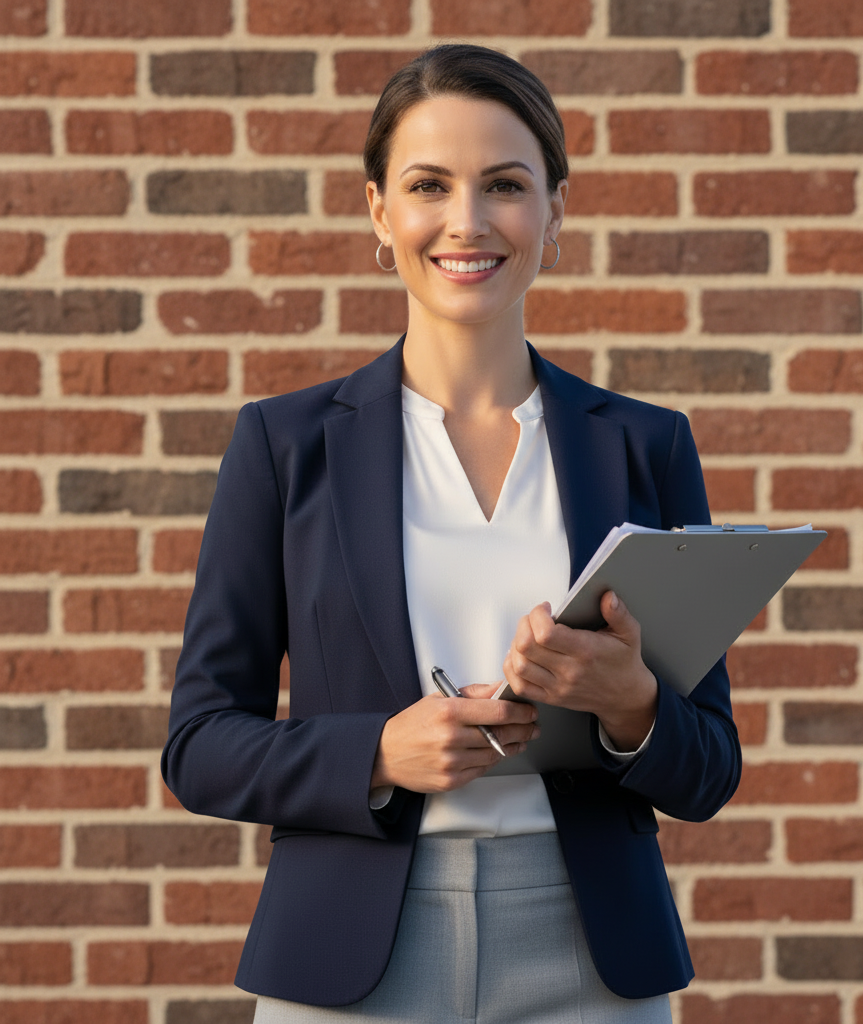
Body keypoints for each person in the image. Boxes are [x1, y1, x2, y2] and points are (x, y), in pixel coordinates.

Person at [162, 43, 741, 1024]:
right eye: (428, 184)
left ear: (555, 211)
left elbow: (708, 769)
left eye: (506, 185)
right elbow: (201, 744)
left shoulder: (646, 445)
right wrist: (377, 753)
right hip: (348, 953)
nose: (467, 221)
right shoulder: (284, 445)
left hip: (590, 955)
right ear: (381, 214)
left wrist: (632, 704)